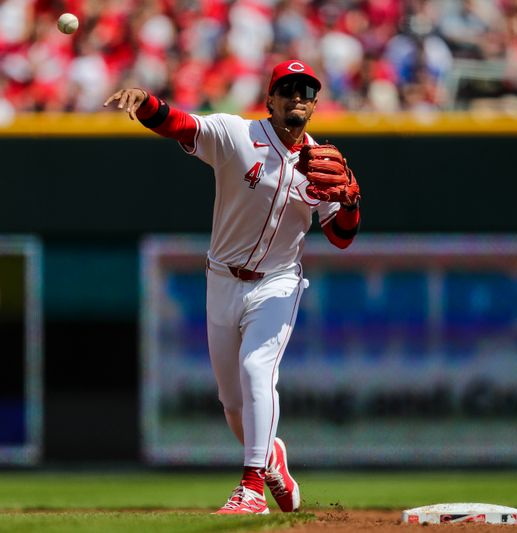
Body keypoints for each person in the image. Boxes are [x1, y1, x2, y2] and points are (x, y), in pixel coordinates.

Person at [104, 60, 361, 514]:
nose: (296, 97)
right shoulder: (237, 135)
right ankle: (272, 461)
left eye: (305, 90)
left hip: (279, 283)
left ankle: (251, 489)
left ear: (316, 103)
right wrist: (145, 103)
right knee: (232, 405)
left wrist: (351, 202)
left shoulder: (322, 162)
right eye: (287, 89)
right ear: (270, 99)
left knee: (256, 369)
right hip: (221, 280)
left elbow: (341, 237)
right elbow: (179, 123)